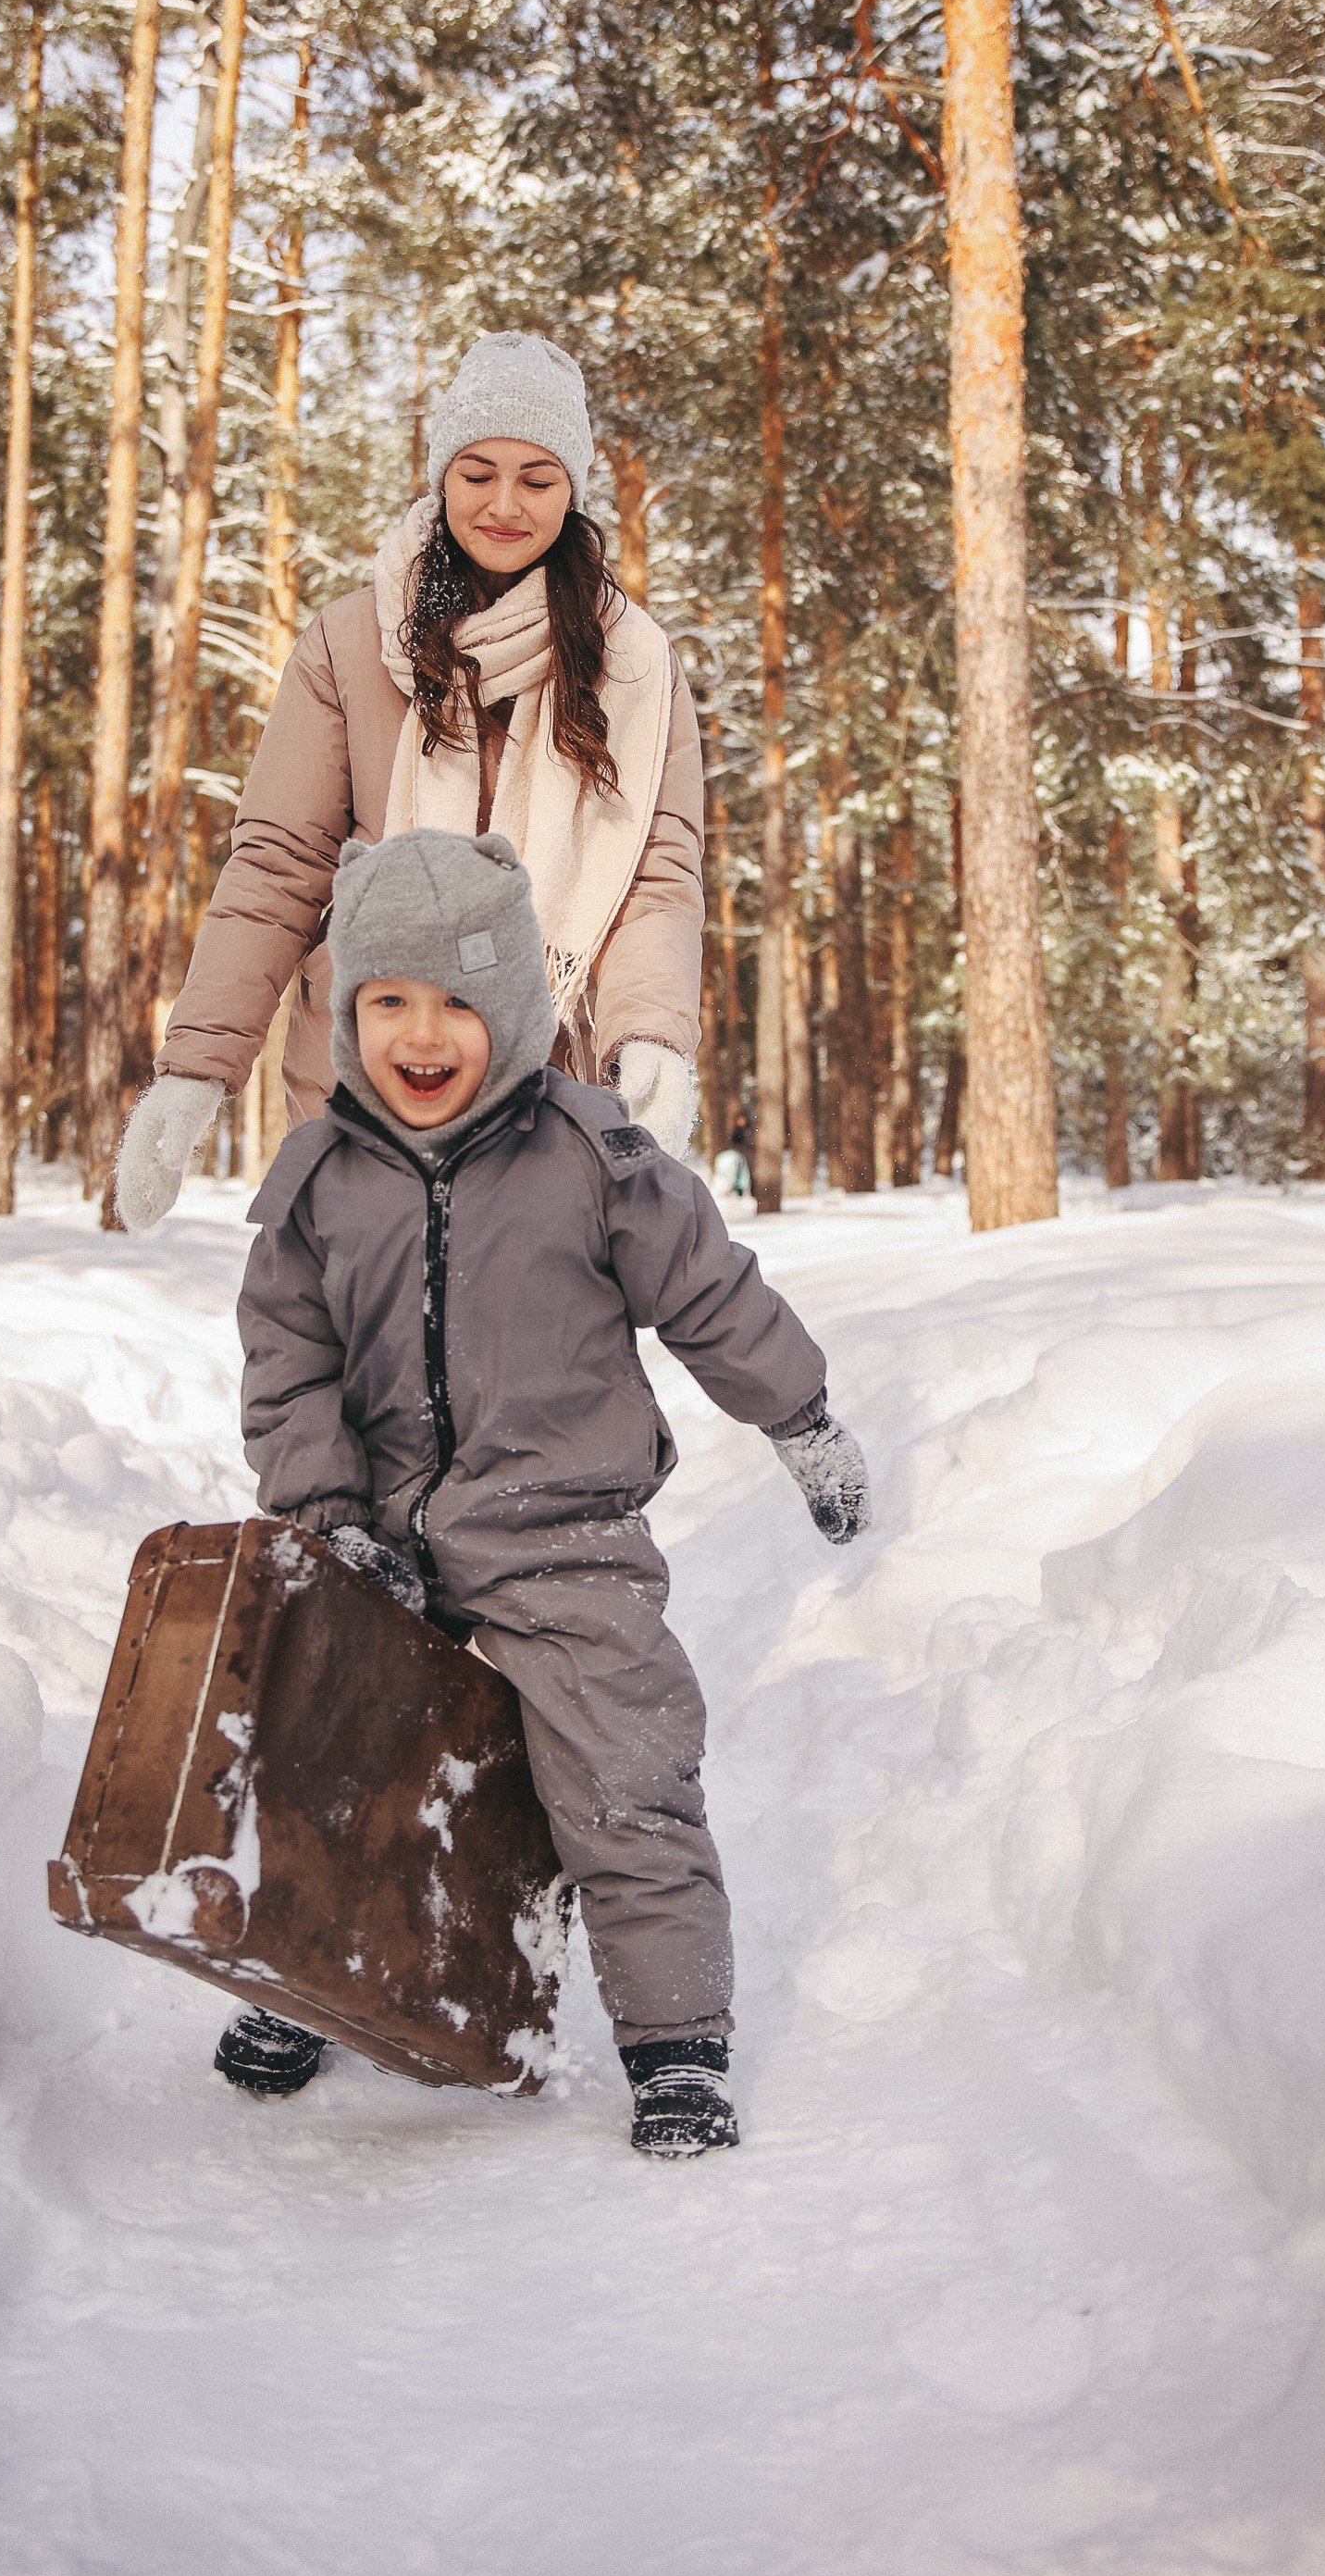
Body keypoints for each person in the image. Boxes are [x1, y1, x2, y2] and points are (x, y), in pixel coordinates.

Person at [217, 828, 872, 2159]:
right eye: (387, 999)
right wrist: (333, 1518)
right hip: (386, 1542)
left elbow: (711, 1295)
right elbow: (287, 1373)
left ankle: (676, 2043)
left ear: (513, 1009)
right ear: (346, 1011)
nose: (421, 1033)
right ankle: (311, 1978)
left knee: (625, 1778)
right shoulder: (317, 1185)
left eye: (458, 1000)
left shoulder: (593, 1155)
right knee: (335, 1759)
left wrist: (800, 1418)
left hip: (565, 1541)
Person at [114, 332, 706, 1231]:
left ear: (571, 490)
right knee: (360, 1353)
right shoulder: (351, 644)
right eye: (477, 472)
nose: (503, 503)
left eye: (536, 479)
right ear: (440, 475)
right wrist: (198, 1065)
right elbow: (277, 867)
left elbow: (653, 877)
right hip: (365, 1078)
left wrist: (649, 1034)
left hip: (547, 1088)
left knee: (529, 1359)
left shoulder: (633, 668)